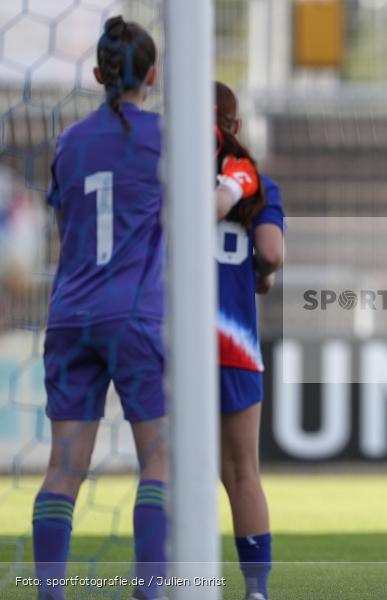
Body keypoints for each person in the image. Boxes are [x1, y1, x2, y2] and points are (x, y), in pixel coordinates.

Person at [35, 16, 167, 600]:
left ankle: (48, 593)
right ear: (155, 76)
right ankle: (150, 590)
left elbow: (64, 222)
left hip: (70, 316)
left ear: (97, 75)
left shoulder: (69, 141)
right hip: (135, 315)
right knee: (159, 463)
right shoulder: (168, 137)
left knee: (64, 468)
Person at [213, 81, 285, 600]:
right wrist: (260, 271)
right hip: (235, 345)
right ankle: (256, 590)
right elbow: (272, 253)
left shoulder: (162, 176)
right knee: (243, 472)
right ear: (235, 127)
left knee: (165, 469)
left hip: (172, 344)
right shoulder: (257, 183)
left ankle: (164, 582)